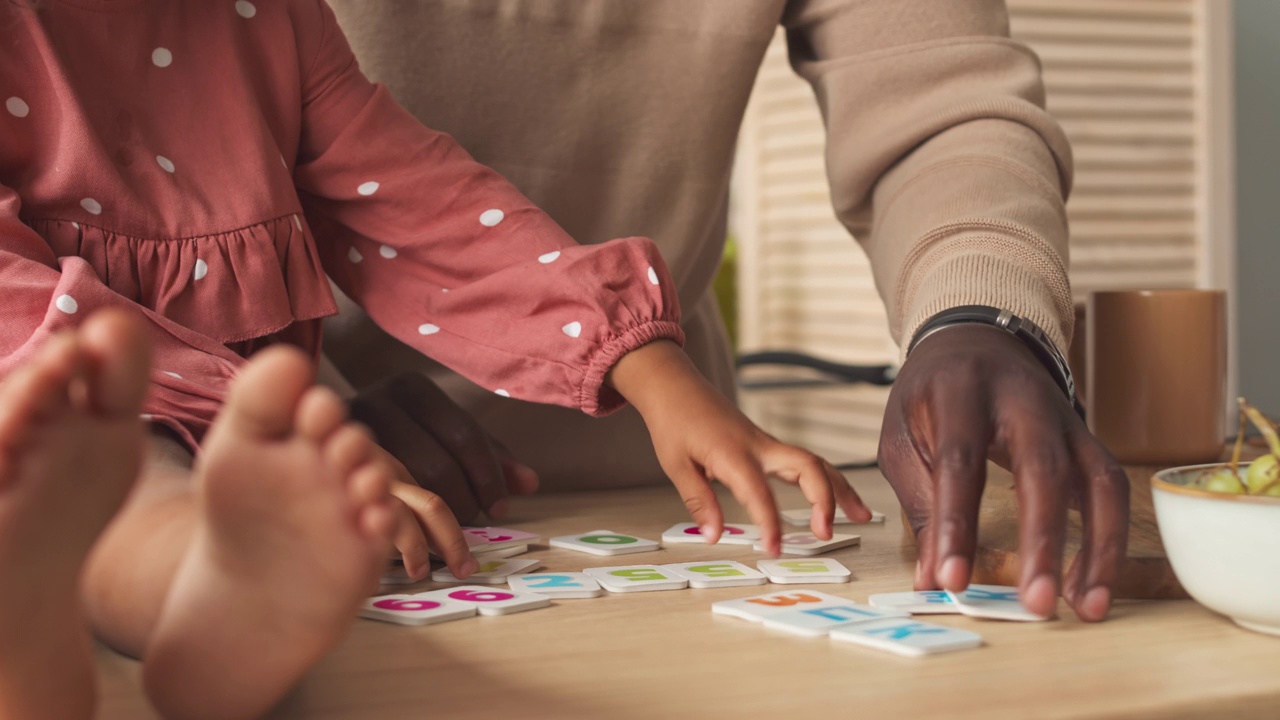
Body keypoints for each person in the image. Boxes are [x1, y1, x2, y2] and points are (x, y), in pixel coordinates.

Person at [0, 1, 865, 717]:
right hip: (58, 397)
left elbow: (426, 211)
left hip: (232, 458)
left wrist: (646, 364)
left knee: (152, 481)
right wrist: (243, 421)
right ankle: (151, 594)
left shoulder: (268, 20)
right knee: (121, 463)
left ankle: (217, 610)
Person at [324, 0, 1130, 624]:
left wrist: (979, 314)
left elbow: (944, 98)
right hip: (316, 524)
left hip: (671, 493)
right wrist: (278, 402)